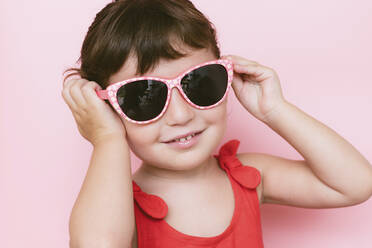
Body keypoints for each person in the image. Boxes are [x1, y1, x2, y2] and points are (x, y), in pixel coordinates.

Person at [61, 0, 372, 247]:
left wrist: (274, 110)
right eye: (144, 97)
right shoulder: (119, 209)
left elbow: (355, 184)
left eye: (199, 82)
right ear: (107, 110)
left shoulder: (248, 177)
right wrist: (107, 139)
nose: (181, 116)